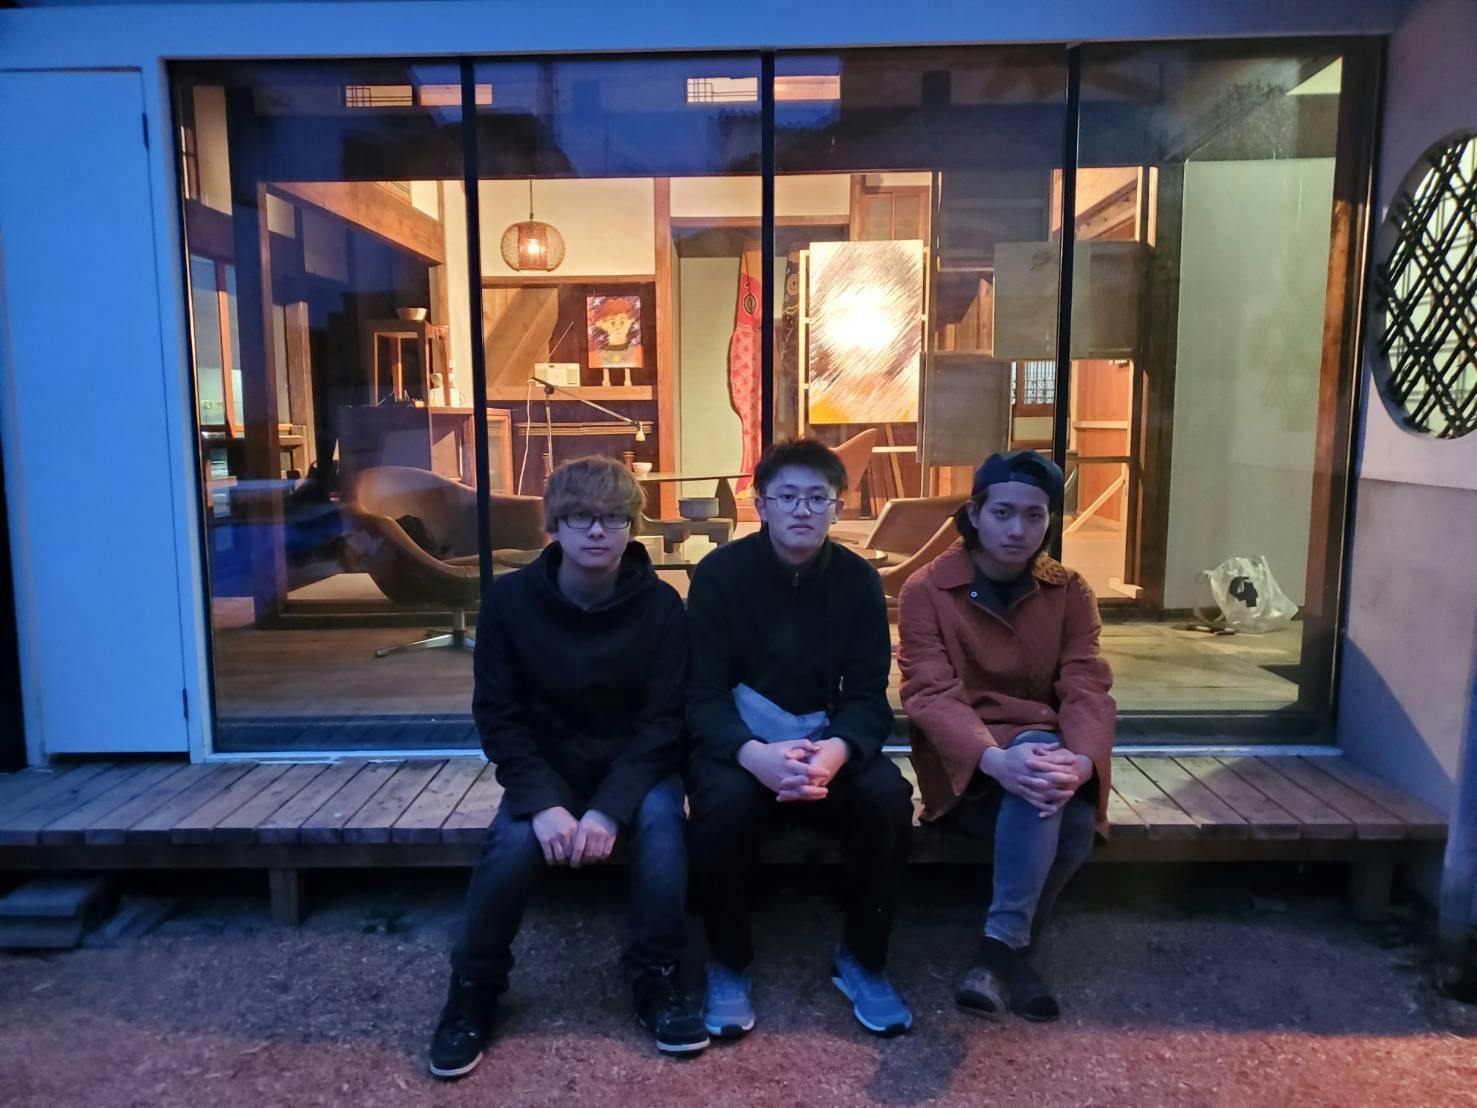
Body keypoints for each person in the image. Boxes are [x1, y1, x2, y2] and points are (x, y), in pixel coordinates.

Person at [428, 456, 707, 1079]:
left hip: (635, 766)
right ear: (554, 525)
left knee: (664, 827)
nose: (598, 531)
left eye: (614, 517)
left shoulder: (662, 606)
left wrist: (610, 808)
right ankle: (473, 989)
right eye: (581, 517)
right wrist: (544, 802)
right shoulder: (509, 602)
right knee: (510, 845)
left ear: (632, 526)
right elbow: (499, 716)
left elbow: (666, 719)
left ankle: (657, 977)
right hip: (547, 767)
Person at [686, 438, 915, 1039]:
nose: (803, 510)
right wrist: (753, 755)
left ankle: (863, 959)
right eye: (787, 496)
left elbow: (868, 696)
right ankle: (728, 962)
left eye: (818, 497)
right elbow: (701, 693)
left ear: (839, 506)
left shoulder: (859, 581)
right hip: (743, 747)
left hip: (824, 747)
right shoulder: (719, 575)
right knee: (722, 803)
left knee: (888, 799)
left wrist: (836, 752)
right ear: (761, 504)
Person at [897, 449, 1114, 1023]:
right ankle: (1012, 958)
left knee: (1063, 804)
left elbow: (1086, 685)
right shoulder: (928, 589)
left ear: (1049, 521)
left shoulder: (1069, 590)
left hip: (1044, 759)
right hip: (965, 767)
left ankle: (998, 953)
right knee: (1043, 779)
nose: (1018, 529)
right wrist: (994, 759)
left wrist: (1083, 763)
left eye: (1034, 515)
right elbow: (929, 692)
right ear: (975, 513)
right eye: (1003, 513)